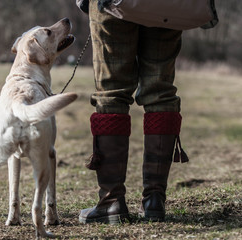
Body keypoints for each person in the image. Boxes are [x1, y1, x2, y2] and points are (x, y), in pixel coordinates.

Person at [77, 0, 188, 224]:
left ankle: (112, 202)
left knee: (112, 91)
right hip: (168, 5)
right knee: (161, 92)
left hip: (111, 4)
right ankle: (154, 200)